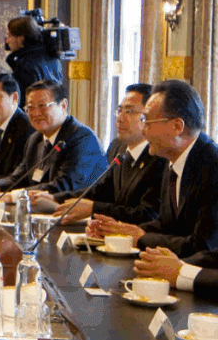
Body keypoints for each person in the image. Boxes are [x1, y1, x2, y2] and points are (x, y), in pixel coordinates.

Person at [88, 79, 218, 257]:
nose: (143, 130)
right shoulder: (172, 159)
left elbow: (203, 245)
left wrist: (142, 238)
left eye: (148, 121)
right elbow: (166, 225)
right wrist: (121, 232)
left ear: (177, 127)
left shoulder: (212, 166)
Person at [33, 83, 165, 223]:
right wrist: (56, 198)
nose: (120, 118)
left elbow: (149, 214)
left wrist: (94, 208)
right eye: (119, 110)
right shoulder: (118, 147)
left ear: (148, 116)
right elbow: (101, 191)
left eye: (129, 111)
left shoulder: (160, 156)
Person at [0, 80, 107, 197]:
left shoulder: (82, 139)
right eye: (30, 107)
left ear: (63, 106)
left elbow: (63, 186)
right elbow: (19, 177)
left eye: (42, 106)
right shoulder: (35, 139)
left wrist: (13, 196)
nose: (35, 113)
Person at [4, 15, 62, 108]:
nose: (7, 41)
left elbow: (22, 103)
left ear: (21, 39)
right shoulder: (53, 57)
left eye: (9, 36)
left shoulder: (25, 65)